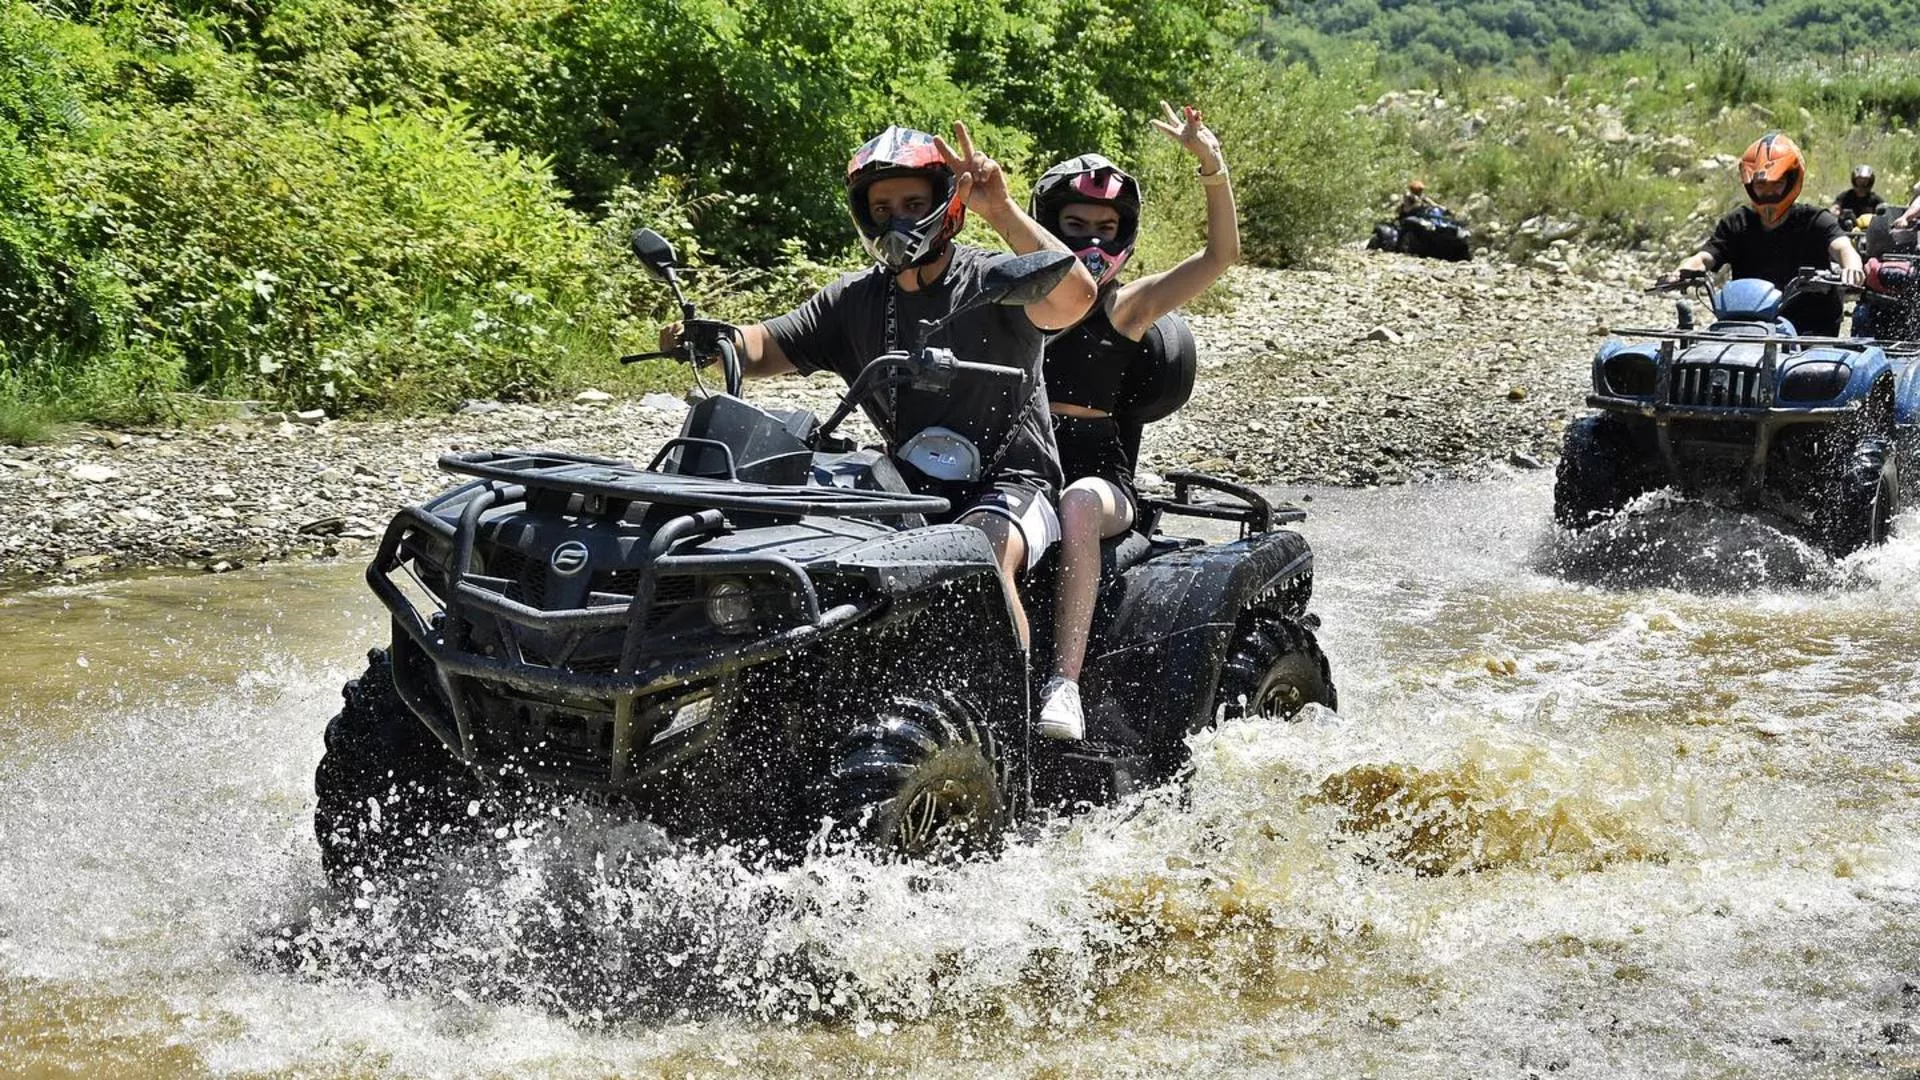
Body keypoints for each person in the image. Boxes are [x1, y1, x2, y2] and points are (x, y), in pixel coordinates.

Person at [658, 123, 1097, 650]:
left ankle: (1008, 713)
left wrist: (1000, 210)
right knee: (798, 534)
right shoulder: (854, 300)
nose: (899, 219)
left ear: (943, 203)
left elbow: (1075, 297)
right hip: (902, 480)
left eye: (914, 203)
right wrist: (714, 337)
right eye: (884, 208)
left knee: (981, 553)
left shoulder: (992, 278)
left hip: (1012, 483)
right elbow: (767, 344)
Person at [1028, 102, 1239, 741]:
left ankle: (1064, 683)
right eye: (1075, 225)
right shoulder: (1012, 294)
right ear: (1046, 227)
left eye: (1105, 226)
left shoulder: (1129, 306)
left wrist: (1211, 164)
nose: (1092, 241)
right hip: (1017, 460)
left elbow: (1220, 255)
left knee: (1079, 506)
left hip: (1099, 478)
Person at [1666, 132, 1863, 335]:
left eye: (1776, 183)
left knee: (1814, 367)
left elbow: (1842, 247)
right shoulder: (1737, 223)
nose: (1768, 191)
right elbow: (1706, 257)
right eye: (1761, 184)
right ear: (1751, 185)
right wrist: (1683, 271)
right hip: (1749, 324)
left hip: (1809, 328)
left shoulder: (1814, 220)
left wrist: (1852, 268)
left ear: (1791, 180)